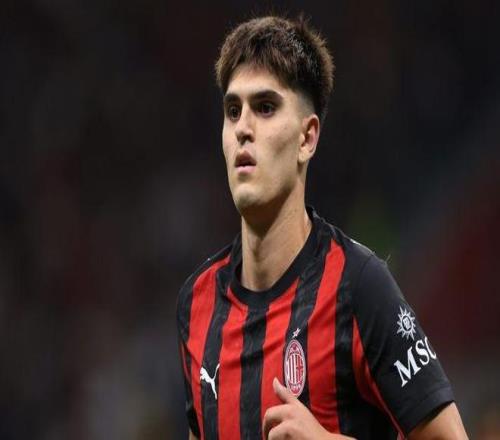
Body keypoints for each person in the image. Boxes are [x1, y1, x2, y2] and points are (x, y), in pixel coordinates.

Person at [176, 14, 468, 440]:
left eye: (265, 107)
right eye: (233, 110)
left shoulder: (359, 287)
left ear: (307, 138)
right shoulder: (197, 303)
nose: (243, 129)